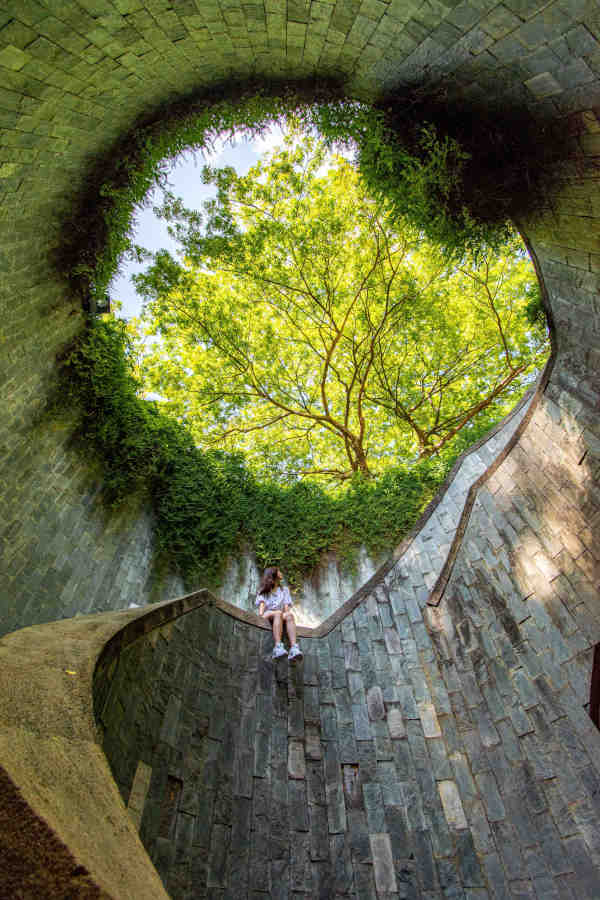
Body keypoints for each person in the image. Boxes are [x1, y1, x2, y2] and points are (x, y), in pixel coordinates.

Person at [256, 566, 303, 661]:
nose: (281, 573)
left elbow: (286, 610)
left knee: (289, 615)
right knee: (278, 613)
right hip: (267, 614)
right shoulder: (264, 590)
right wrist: (266, 615)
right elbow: (261, 613)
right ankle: (278, 647)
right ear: (273, 575)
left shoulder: (284, 590)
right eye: (278, 571)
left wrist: (287, 616)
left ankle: (294, 648)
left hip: (280, 615)